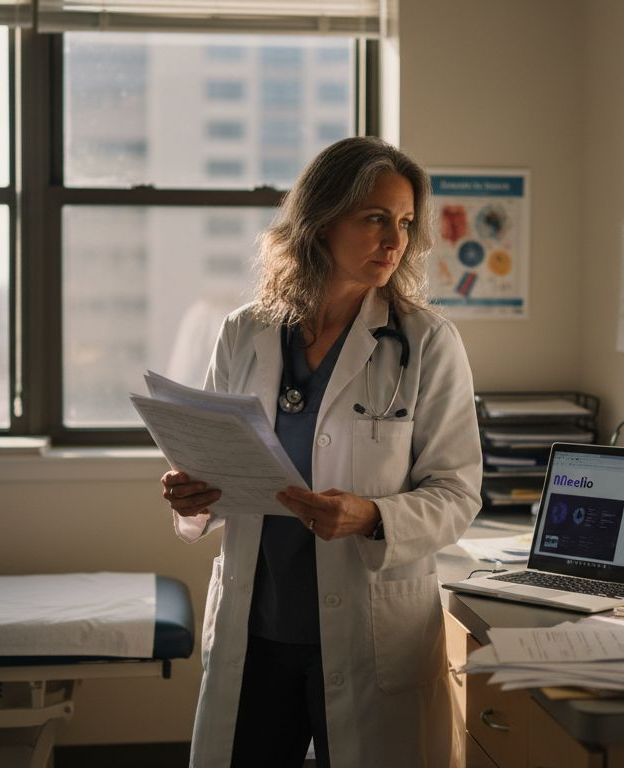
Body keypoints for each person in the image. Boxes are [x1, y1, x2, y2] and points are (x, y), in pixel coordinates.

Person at [160, 136, 482, 768]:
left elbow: (457, 493)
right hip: (257, 628)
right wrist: (191, 492)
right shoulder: (245, 332)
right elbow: (211, 457)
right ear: (321, 220)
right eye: (375, 219)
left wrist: (371, 517)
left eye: (406, 223)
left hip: (370, 628)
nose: (396, 241)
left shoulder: (425, 343)